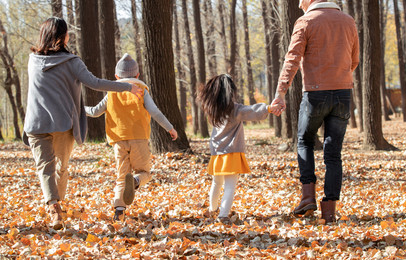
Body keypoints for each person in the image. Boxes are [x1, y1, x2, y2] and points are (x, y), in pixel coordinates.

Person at [23, 17, 143, 229]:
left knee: (45, 167)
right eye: (67, 32)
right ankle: (55, 206)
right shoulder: (72, 62)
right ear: (62, 36)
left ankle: (54, 206)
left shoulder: (33, 60)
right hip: (62, 123)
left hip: (35, 123)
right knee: (60, 168)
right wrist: (127, 87)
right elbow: (95, 83)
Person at [270, 0, 359, 223]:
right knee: (333, 153)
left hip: (315, 93)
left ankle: (307, 196)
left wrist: (280, 94)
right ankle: (329, 211)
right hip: (343, 93)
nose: (299, 3)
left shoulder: (306, 21)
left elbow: (292, 60)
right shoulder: (348, 21)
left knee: (304, 140)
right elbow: (354, 60)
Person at [85, 54, 178, 221]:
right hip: (139, 138)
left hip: (118, 140)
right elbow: (154, 111)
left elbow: (94, 112)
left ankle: (119, 212)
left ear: (116, 76)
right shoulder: (141, 91)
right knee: (145, 172)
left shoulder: (111, 92)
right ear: (137, 75)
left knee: (121, 176)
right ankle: (135, 181)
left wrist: (77, 108)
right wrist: (170, 128)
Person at [197, 74, 278, 223]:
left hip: (217, 154)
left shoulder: (213, 110)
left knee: (216, 183)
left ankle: (212, 209)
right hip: (231, 153)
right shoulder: (234, 109)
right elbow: (251, 111)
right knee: (229, 185)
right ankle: (222, 215)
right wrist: (268, 108)